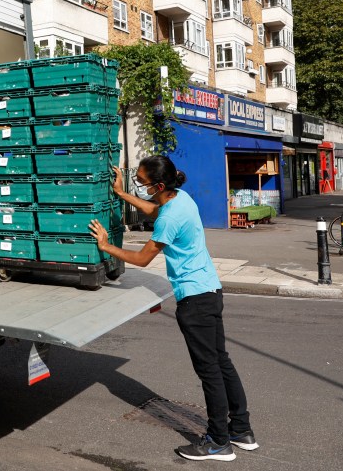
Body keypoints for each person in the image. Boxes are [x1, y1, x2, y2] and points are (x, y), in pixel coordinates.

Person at [88, 155, 257, 462]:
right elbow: (156, 209)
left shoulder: (169, 218)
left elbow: (141, 259)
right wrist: (122, 194)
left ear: (160, 184)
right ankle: (241, 430)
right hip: (210, 290)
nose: (139, 185)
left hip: (194, 300)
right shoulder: (181, 199)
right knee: (221, 363)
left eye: (141, 181)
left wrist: (105, 246)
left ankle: (219, 441)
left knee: (210, 372)